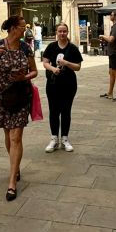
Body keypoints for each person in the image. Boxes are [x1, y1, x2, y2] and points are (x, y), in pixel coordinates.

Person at [0, 15, 38, 201]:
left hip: (21, 95)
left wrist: (24, 78)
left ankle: (12, 181)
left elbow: (34, 71)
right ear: (13, 28)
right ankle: (16, 166)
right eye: (22, 27)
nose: (25, 30)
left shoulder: (25, 48)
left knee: (16, 136)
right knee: (8, 135)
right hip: (1, 97)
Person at [41, 22, 83, 152]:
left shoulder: (72, 48)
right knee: (53, 111)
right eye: (60, 31)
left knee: (66, 111)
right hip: (53, 84)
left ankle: (65, 138)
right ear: (56, 33)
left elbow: (78, 67)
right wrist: (53, 69)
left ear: (67, 32)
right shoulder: (51, 47)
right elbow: (45, 63)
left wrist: (66, 63)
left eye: (64, 31)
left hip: (69, 84)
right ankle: (54, 138)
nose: (62, 33)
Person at [99, 11, 116, 99]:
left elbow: (111, 39)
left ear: (115, 17)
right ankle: (110, 93)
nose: (110, 16)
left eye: (111, 15)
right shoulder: (115, 27)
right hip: (112, 53)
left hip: (115, 53)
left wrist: (102, 36)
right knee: (111, 73)